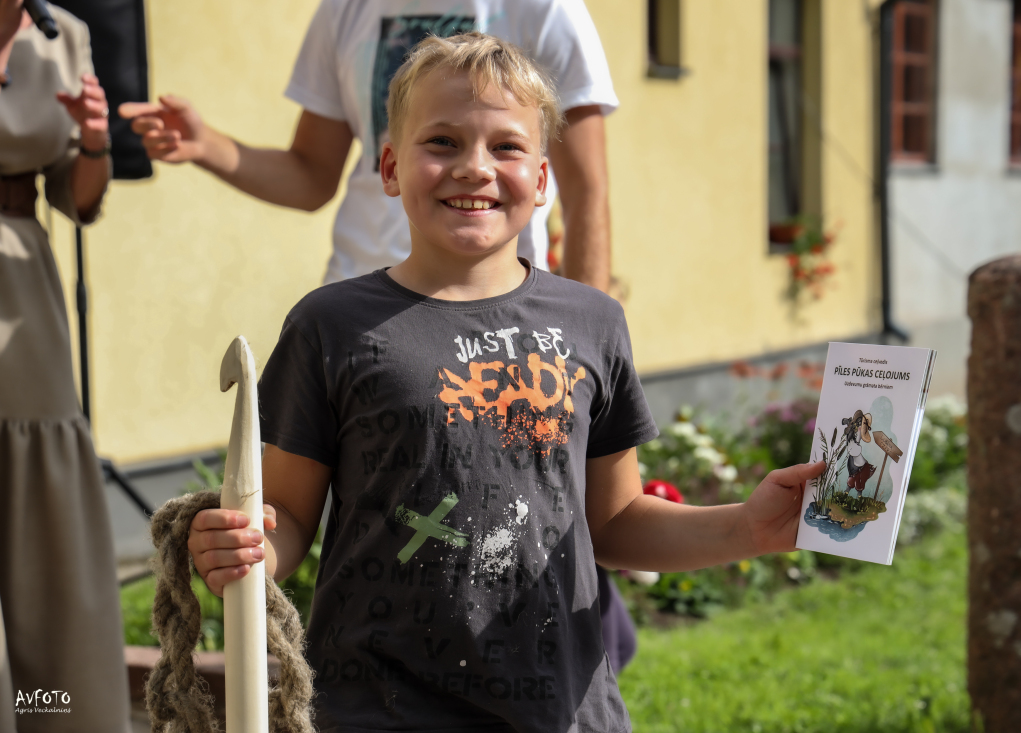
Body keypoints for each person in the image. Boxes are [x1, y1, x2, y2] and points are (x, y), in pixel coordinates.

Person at [185, 33, 825, 731]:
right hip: (379, 712)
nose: (474, 168)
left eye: (506, 147)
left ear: (542, 179)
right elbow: (287, 513)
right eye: (442, 142)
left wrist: (748, 526)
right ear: (391, 167)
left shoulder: (593, 321)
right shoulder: (331, 325)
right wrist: (246, 549)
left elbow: (615, 522)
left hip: (564, 714)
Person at [120, 0, 615, 291]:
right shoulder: (345, 8)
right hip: (363, 301)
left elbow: (585, 191)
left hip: (496, 309)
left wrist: (586, 340)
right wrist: (206, 145)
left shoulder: (545, 9)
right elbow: (312, 174)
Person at [0, 2, 131, 732]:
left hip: (23, 278)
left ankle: (50, 710)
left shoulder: (65, 36)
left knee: (41, 513)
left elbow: (76, 199)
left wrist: (94, 141)